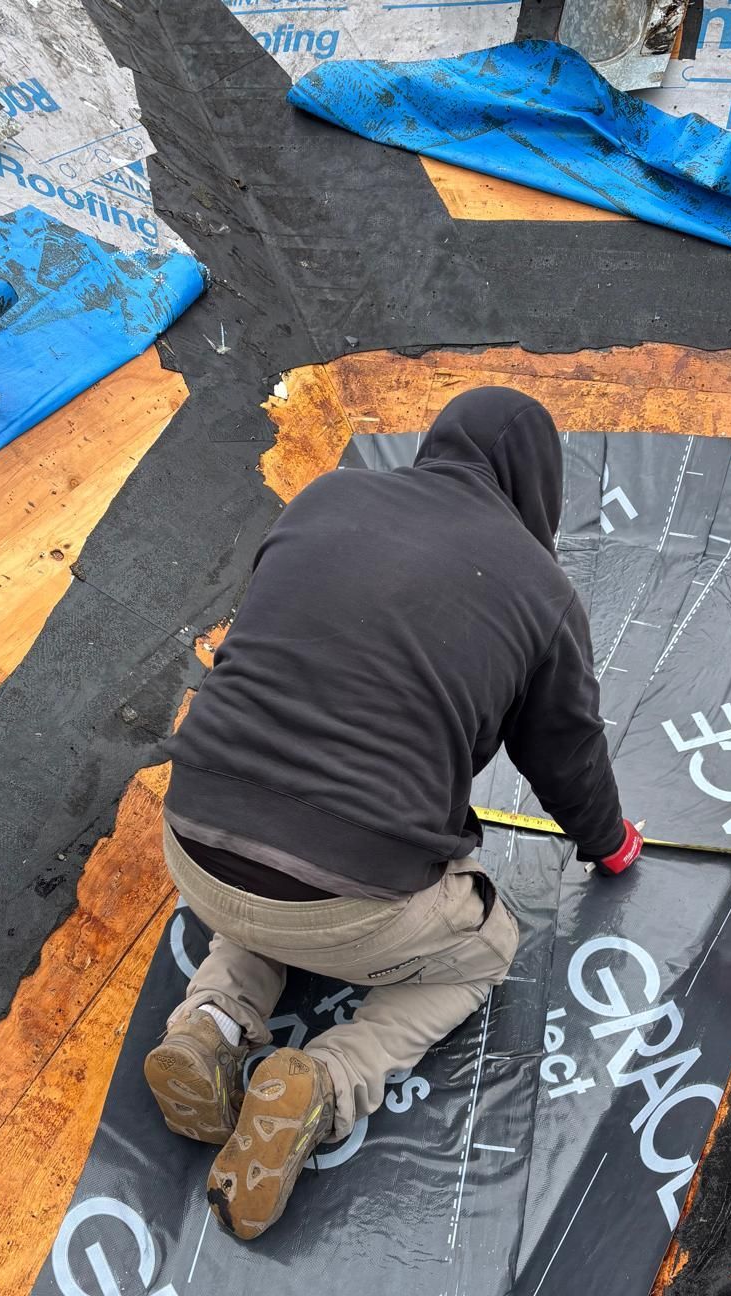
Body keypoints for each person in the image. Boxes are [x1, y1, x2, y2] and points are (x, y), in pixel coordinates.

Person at [147, 386, 641, 1241]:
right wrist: (612, 844)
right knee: (482, 950)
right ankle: (325, 1083)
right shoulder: (540, 588)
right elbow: (567, 755)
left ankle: (210, 1026)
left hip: (195, 835)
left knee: (270, 883)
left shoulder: (328, 495)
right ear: (539, 489)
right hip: (348, 892)